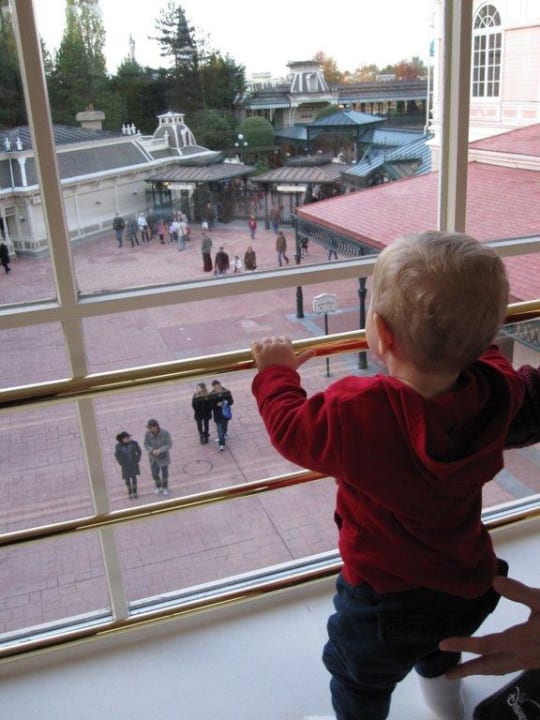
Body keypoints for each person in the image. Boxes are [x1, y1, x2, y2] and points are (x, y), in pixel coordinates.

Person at [250, 230, 528, 720]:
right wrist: (472, 337)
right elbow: (490, 361)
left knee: (357, 680)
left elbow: (291, 429)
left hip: (382, 600)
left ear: (380, 331)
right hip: (466, 582)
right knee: (442, 645)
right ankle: (446, 706)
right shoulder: (498, 392)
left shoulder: (358, 411)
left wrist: (276, 373)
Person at [143, 419, 172, 496]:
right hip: (153, 458)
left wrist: (160, 450)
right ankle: (158, 486)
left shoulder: (165, 433)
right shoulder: (148, 433)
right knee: (154, 474)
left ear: (155, 427)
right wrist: (152, 450)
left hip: (163, 457)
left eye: (150, 428)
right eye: (149, 428)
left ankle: (165, 487)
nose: (149, 429)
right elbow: (146, 444)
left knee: (165, 474)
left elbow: (169, 444)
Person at [114, 431, 142, 499]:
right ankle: (130, 492)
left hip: (133, 463)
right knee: (127, 479)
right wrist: (121, 462)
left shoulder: (133, 443)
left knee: (134, 478)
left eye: (129, 437)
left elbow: (139, 451)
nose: (129, 439)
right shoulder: (118, 446)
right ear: (122, 439)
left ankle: (135, 492)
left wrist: (137, 459)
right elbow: (117, 455)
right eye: (127, 438)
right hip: (125, 465)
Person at [210, 380, 234, 451]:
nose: (217, 389)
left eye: (218, 387)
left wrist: (225, 402)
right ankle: (221, 444)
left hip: (225, 414)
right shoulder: (211, 394)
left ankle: (225, 434)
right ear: (213, 388)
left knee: (225, 427)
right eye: (215, 388)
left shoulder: (227, 392)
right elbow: (210, 405)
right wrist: (216, 405)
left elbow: (231, 402)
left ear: (220, 385)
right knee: (220, 430)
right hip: (218, 415)